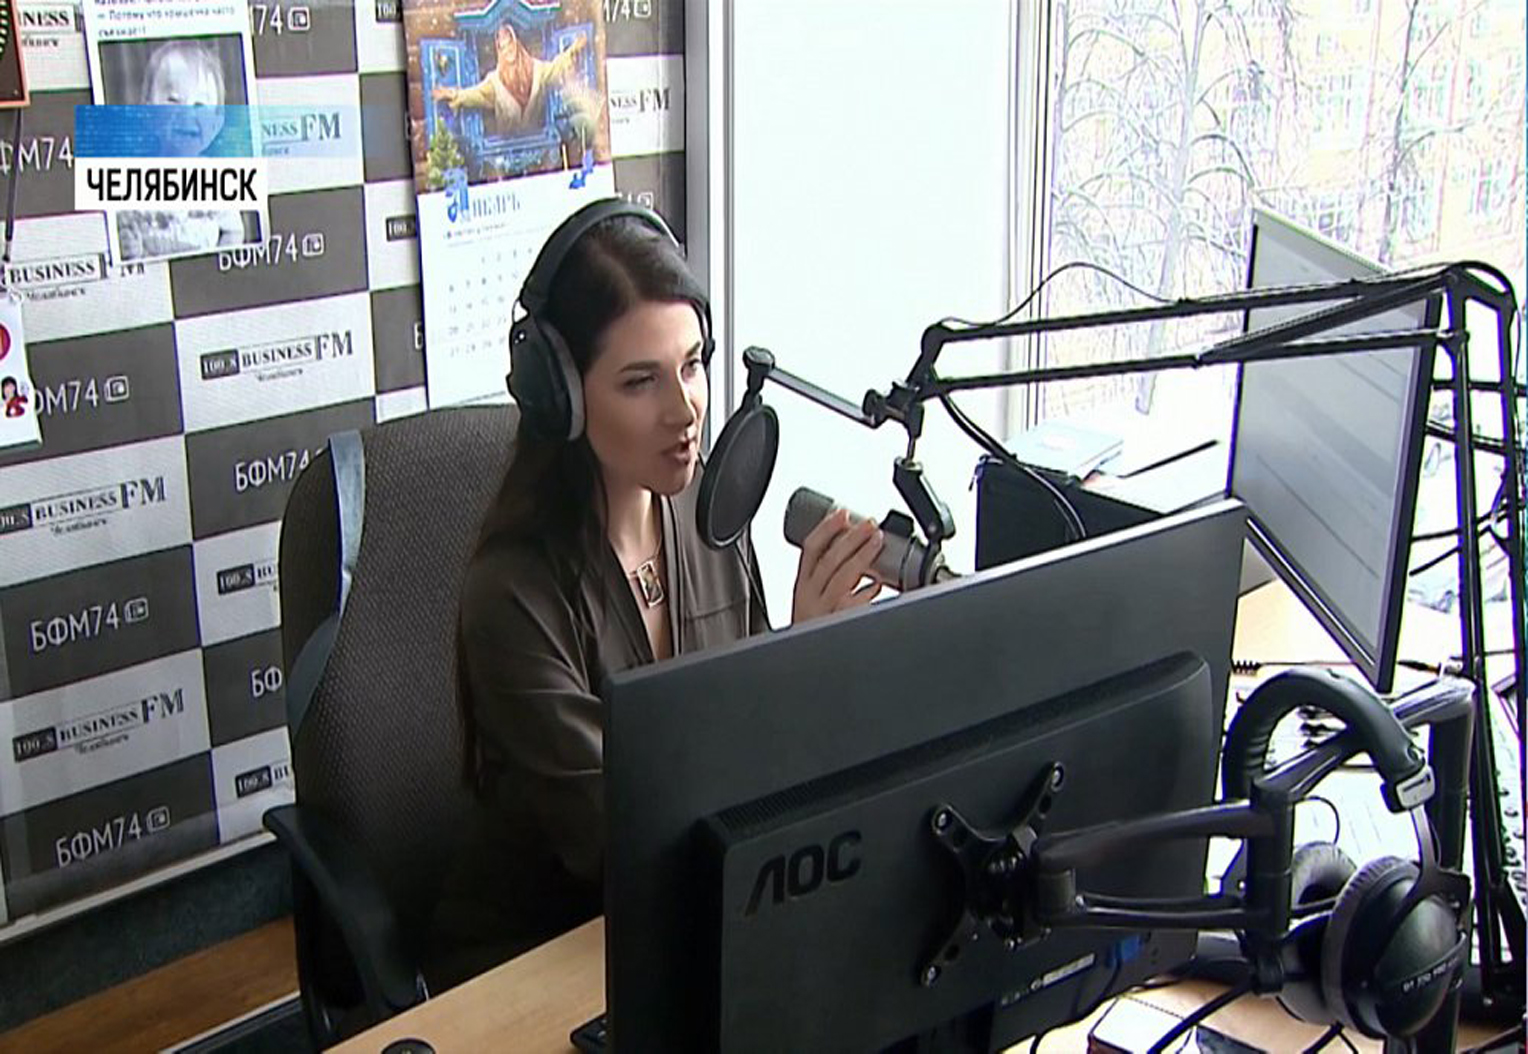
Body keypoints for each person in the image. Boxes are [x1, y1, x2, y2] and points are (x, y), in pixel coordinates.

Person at [426, 202, 885, 988]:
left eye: (693, 364)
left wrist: (808, 655)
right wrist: (793, 674)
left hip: (688, 927)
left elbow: (738, 752)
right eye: (640, 381)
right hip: (545, 958)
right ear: (563, 398)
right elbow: (631, 837)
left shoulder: (710, 513)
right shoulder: (511, 594)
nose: (685, 410)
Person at [115, 40, 247, 261]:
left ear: (216, 122)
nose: (186, 114)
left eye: (200, 105)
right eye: (173, 101)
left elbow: (233, 231)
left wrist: (221, 259)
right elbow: (122, 232)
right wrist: (130, 248)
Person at [431, 23, 592, 138]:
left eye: (510, 44)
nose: (508, 50)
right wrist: (453, 94)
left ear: (516, 43)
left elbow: (556, 67)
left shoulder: (537, 70)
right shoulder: (495, 81)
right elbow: (474, 94)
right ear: (499, 50)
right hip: (505, 150)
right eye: (503, 47)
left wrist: (573, 49)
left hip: (537, 142)